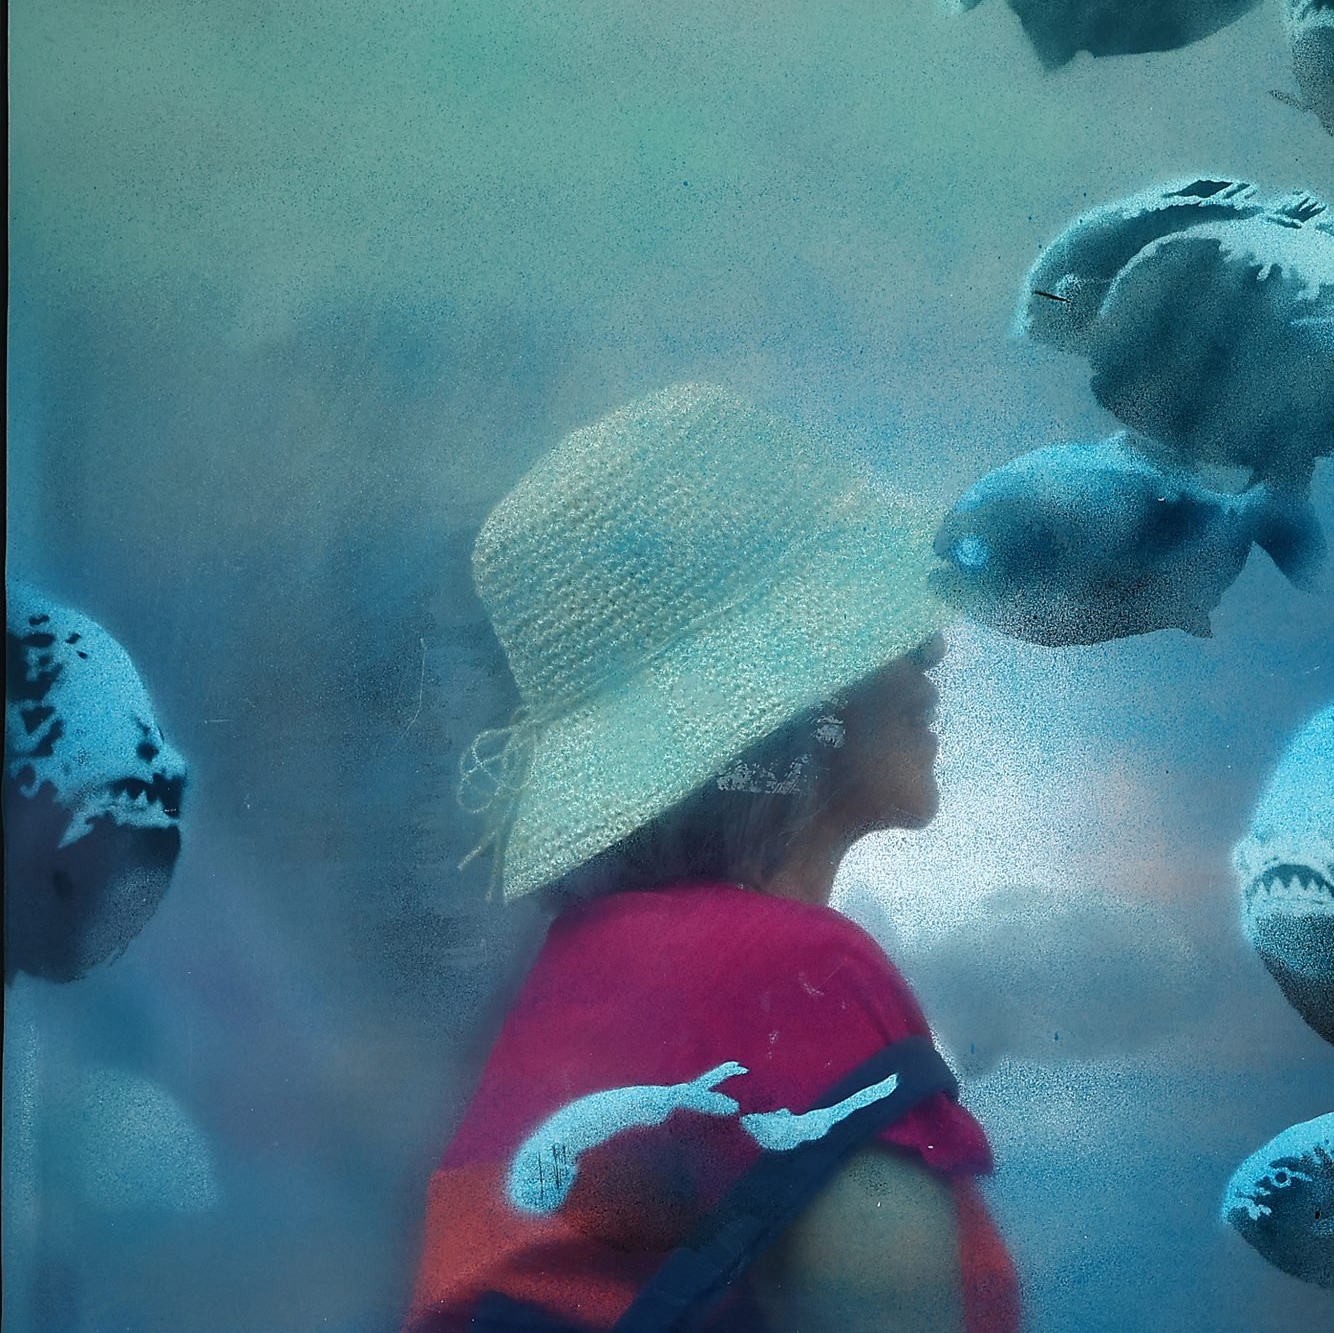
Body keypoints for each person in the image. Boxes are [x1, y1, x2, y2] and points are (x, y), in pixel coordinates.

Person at [404, 383, 1017, 1333]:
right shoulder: (789, 971)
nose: (931, 650)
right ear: (784, 712)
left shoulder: (596, 967)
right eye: (879, 624)